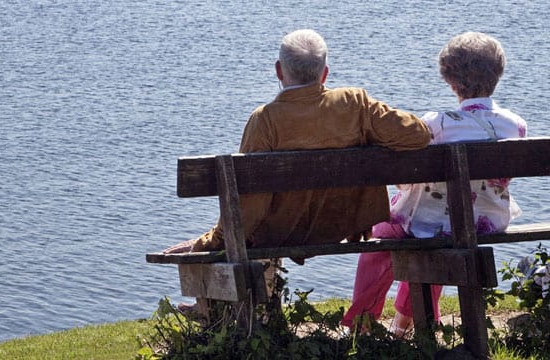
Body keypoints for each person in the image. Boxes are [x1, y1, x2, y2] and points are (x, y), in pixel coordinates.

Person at [164, 29, 430, 258]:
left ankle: (228, 311)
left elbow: (249, 206)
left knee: (245, 235)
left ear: (279, 71)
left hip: (280, 233)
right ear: (324, 74)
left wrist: (209, 241)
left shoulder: (265, 120)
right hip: (337, 226)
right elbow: (417, 134)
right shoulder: (354, 104)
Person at [342, 31, 528, 336]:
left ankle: (361, 323)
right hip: (486, 221)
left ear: (450, 80)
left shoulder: (436, 124)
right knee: (445, 225)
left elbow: (404, 181)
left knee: (384, 236)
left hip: (432, 223)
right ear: (498, 74)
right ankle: (404, 322)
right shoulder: (516, 124)